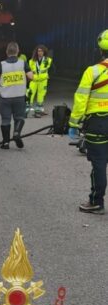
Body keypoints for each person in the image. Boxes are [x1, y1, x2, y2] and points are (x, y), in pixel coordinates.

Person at [68, 30, 108, 215]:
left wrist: (74, 123)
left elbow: (81, 99)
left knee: (99, 164)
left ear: (100, 49)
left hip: (97, 124)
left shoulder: (92, 71)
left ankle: (96, 202)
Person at [0, 42, 34, 149]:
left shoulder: (2, 64)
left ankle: (5, 143)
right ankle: (17, 133)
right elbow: (31, 77)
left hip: (5, 98)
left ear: (6, 52)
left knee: (5, 119)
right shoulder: (23, 63)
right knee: (19, 117)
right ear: (18, 51)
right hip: (19, 96)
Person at [28, 45, 53, 116]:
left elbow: (53, 69)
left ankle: (38, 111)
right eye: (38, 51)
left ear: (44, 52)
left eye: (41, 51)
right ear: (36, 52)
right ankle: (25, 111)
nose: (40, 52)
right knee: (30, 94)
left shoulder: (47, 60)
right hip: (34, 80)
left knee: (41, 96)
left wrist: (49, 76)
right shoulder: (32, 61)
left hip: (43, 81)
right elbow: (28, 70)